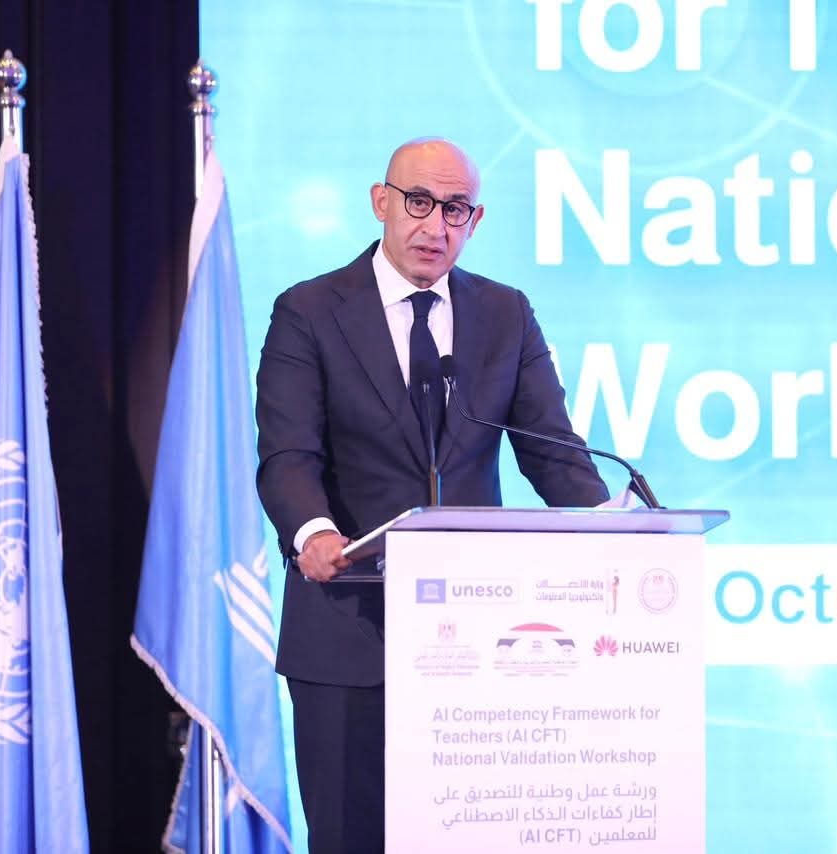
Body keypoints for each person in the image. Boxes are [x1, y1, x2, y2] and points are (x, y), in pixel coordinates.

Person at [254, 138, 610, 853]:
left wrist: (613, 529)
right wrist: (314, 531)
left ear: (474, 222)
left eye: (455, 210)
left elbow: (550, 447)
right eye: (418, 202)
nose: (434, 225)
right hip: (348, 629)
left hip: (478, 636)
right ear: (381, 202)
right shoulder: (310, 310)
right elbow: (289, 453)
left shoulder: (505, 313)